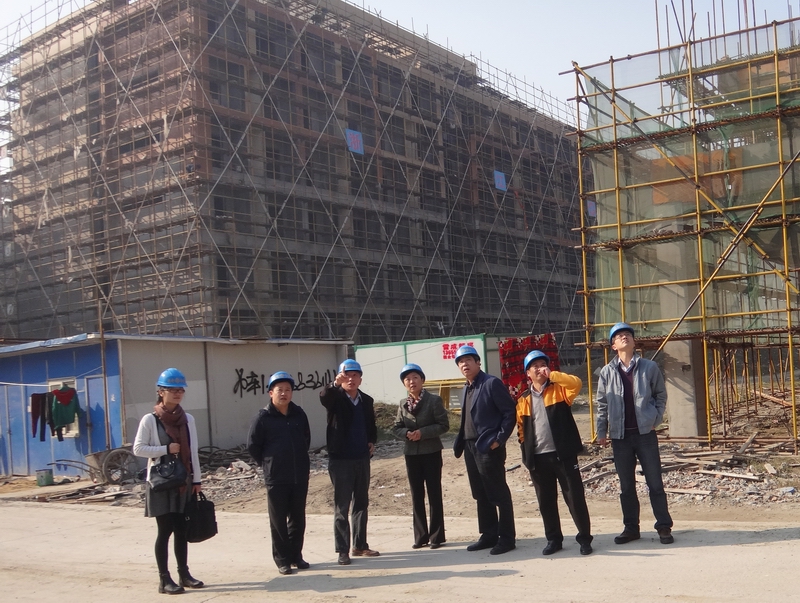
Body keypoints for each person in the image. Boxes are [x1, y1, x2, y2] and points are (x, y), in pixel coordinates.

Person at [596, 322, 674, 545]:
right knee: (626, 486)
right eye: (619, 335)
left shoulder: (649, 367)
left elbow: (660, 395)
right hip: (620, 437)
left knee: (655, 482)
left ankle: (663, 526)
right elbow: (602, 404)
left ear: (633, 341)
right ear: (613, 346)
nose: (624, 337)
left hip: (645, 435)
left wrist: (655, 419)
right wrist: (601, 431)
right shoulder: (607, 372)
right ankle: (631, 528)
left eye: (628, 334)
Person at [133, 368, 204, 595]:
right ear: (160, 392)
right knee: (165, 530)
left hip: (183, 481)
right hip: (160, 484)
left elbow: (193, 451)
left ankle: (184, 574)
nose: (177, 394)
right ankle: (164, 579)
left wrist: (197, 480)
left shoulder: (188, 419)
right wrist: (165, 449)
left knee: (182, 529)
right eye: (172, 390)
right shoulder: (150, 420)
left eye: (180, 390)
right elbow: (138, 448)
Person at [517, 350, 593, 556]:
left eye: (543, 364)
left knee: (574, 498)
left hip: (563, 455)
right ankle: (553, 540)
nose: (539, 368)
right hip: (538, 458)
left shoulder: (559, 390)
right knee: (546, 502)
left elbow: (576, 383)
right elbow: (521, 430)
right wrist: (526, 453)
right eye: (535, 366)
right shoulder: (523, 399)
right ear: (528, 373)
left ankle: (584, 539)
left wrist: (554, 375)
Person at [452, 345, 517, 555]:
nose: (464, 364)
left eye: (468, 360)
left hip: (488, 446)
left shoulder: (491, 383)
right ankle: (489, 535)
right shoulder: (466, 388)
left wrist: (499, 439)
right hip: (470, 447)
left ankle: (506, 538)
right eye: (460, 362)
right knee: (480, 493)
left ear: (478, 362)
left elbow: (509, 412)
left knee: (498, 493)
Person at [247, 371, 311, 575]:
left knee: (298, 518)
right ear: (270, 393)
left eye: (288, 390)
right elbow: (253, 446)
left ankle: (296, 556)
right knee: (278, 520)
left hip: (299, 474)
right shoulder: (263, 417)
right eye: (279, 390)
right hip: (276, 477)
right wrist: (268, 464)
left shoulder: (299, 414)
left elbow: (306, 439)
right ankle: (282, 560)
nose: (284, 393)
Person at [319, 359, 379, 565]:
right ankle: (342, 550)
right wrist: (334, 384)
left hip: (362, 457)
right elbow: (324, 396)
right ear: (340, 378)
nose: (351, 379)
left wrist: (371, 441)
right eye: (346, 376)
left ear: (360, 379)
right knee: (342, 506)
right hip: (341, 460)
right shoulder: (335, 398)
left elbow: (371, 425)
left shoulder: (366, 400)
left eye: (355, 375)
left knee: (361, 502)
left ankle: (360, 545)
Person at [392, 363, 449, 550]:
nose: (412, 382)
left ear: (422, 380)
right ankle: (420, 536)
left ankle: (437, 536)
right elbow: (396, 427)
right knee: (416, 495)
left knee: (434, 493)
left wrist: (422, 433)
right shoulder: (403, 403)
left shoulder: (434, 400)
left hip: (431, 452)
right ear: (404, 383)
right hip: (411, 454)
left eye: (415, 377)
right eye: (407, 379)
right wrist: (407, 433)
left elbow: (443, 425)